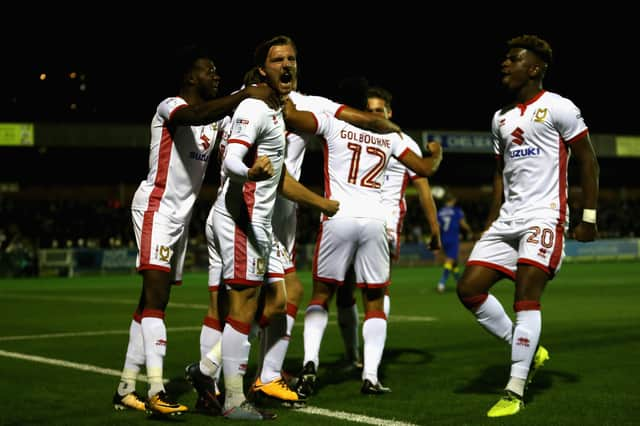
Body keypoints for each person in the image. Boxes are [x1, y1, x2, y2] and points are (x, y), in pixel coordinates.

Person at [111, 45, 279, 416]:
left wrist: (255, 93)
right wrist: (243, 95)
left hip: (181, 219)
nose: (216, 76)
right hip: (155, 208)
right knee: (157, 300)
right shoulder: (170, 107)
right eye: (210, 70)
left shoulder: (214, 122)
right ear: (191, 77)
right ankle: (156, 392)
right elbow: (196, 113)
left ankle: (126, 387)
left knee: (149, 303)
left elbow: (227, 121)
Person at [455, 34, 599, 418]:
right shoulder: (499, 116)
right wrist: (491, 221)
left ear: (533, 68)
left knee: (526, 295)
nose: (505, 64)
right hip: (508, 219)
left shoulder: (559, 107)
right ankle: (530, 349)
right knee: (468, 289)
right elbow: (499, 173)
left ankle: (514, 389)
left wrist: (588, 216)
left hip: (545, 215)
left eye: (513, 59)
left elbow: (588, 161)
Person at [205, 35, 343, 420]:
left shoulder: (278, 111)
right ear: (261, 72)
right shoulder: (254, 108)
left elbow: (275, 172)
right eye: (278, 60)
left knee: (263, 300)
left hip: (257, 217)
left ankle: (229, 378)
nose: (288, 66)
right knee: (241, 303)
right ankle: (221, 383)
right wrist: (249, 172)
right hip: (243, 216)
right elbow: (240, 159)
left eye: (292, 59)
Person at [283, 96, 442, 396]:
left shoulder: (333, 124)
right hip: (374, 222)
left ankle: (310, 365)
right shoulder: (393, 137)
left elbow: (292, 117)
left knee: (321, 294)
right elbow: (425, 168)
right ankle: (370, 376)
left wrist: (295, 98)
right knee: (375, 301)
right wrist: (435, 152)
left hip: (338, 215)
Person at [335, 85, 442, 369]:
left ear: (389, 113)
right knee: (344, 290)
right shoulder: (352, 135)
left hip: (385, 224)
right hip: (351, 218)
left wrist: (435, 229)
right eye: (368, 111)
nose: (373, 116)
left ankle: (372, 363)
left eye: (378, 111)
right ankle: (352, 356)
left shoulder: (402, 141)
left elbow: (424, 188)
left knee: (376, 291)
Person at [436, 191, 472, 293]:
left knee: (454, 262)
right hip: (453, 238)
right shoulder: (457, 211)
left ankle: (459, 282)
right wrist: (470, 230)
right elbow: (462, 223)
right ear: (453, 200)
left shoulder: (440, 211)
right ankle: (441, 283)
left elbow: (437, 226)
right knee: (450, 260)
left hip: (444, 238)